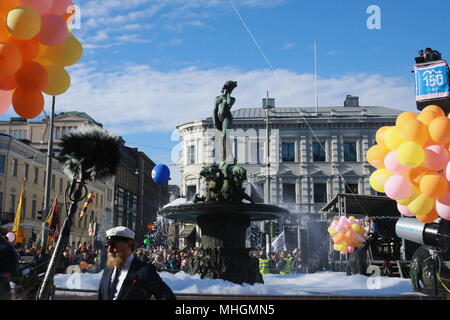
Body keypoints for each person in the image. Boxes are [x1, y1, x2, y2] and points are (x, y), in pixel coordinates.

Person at [98, 226, 176, 300]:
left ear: (129, 244)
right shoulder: (108, 270)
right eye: (107, 245)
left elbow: (167, 297)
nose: (109, 250)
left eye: (113, 245)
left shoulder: (144, 271)